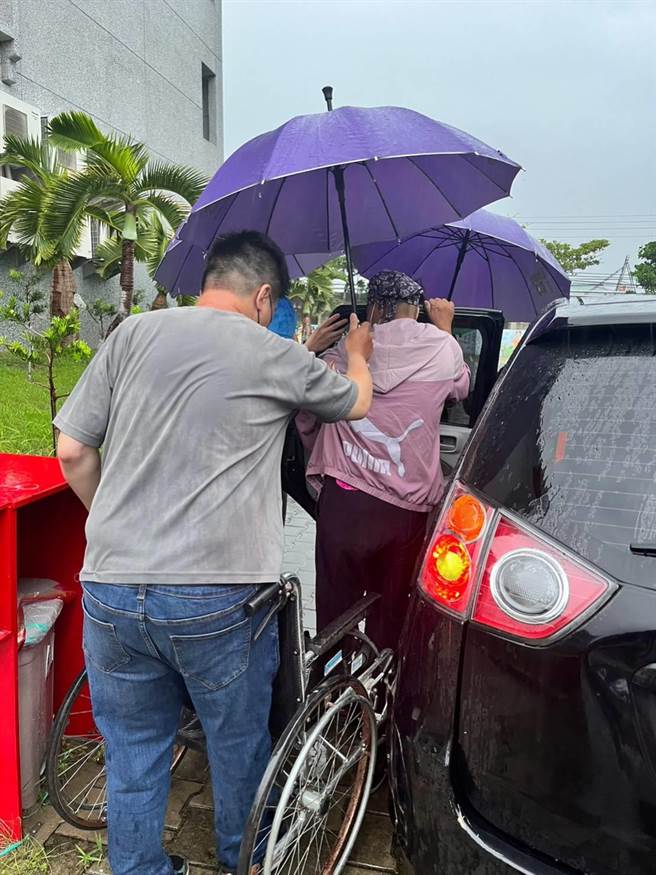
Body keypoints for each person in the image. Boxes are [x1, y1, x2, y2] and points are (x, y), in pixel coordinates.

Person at [54, 230, 373, 875]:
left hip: (111, 588)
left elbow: (72, 451)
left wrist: (116, 527)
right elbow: (356, 403)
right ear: (262, 296)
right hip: (219, 597)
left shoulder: (132, 334)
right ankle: (243, 861)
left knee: (135, 750)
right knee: (237, 749)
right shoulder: (270, 354)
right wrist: (359, 353)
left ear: (208, 282)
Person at [297, 270, 470, 651]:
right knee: (393, 614)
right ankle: (382, 694)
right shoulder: (444, 348)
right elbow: (461, 388)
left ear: (374, 306)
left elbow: (306, 404)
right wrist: (444, 330)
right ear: (416, 309)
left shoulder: (345, 352)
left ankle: (330, 692)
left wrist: (312, 349)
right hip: (406, 512)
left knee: (334, 612)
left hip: (345, 503)